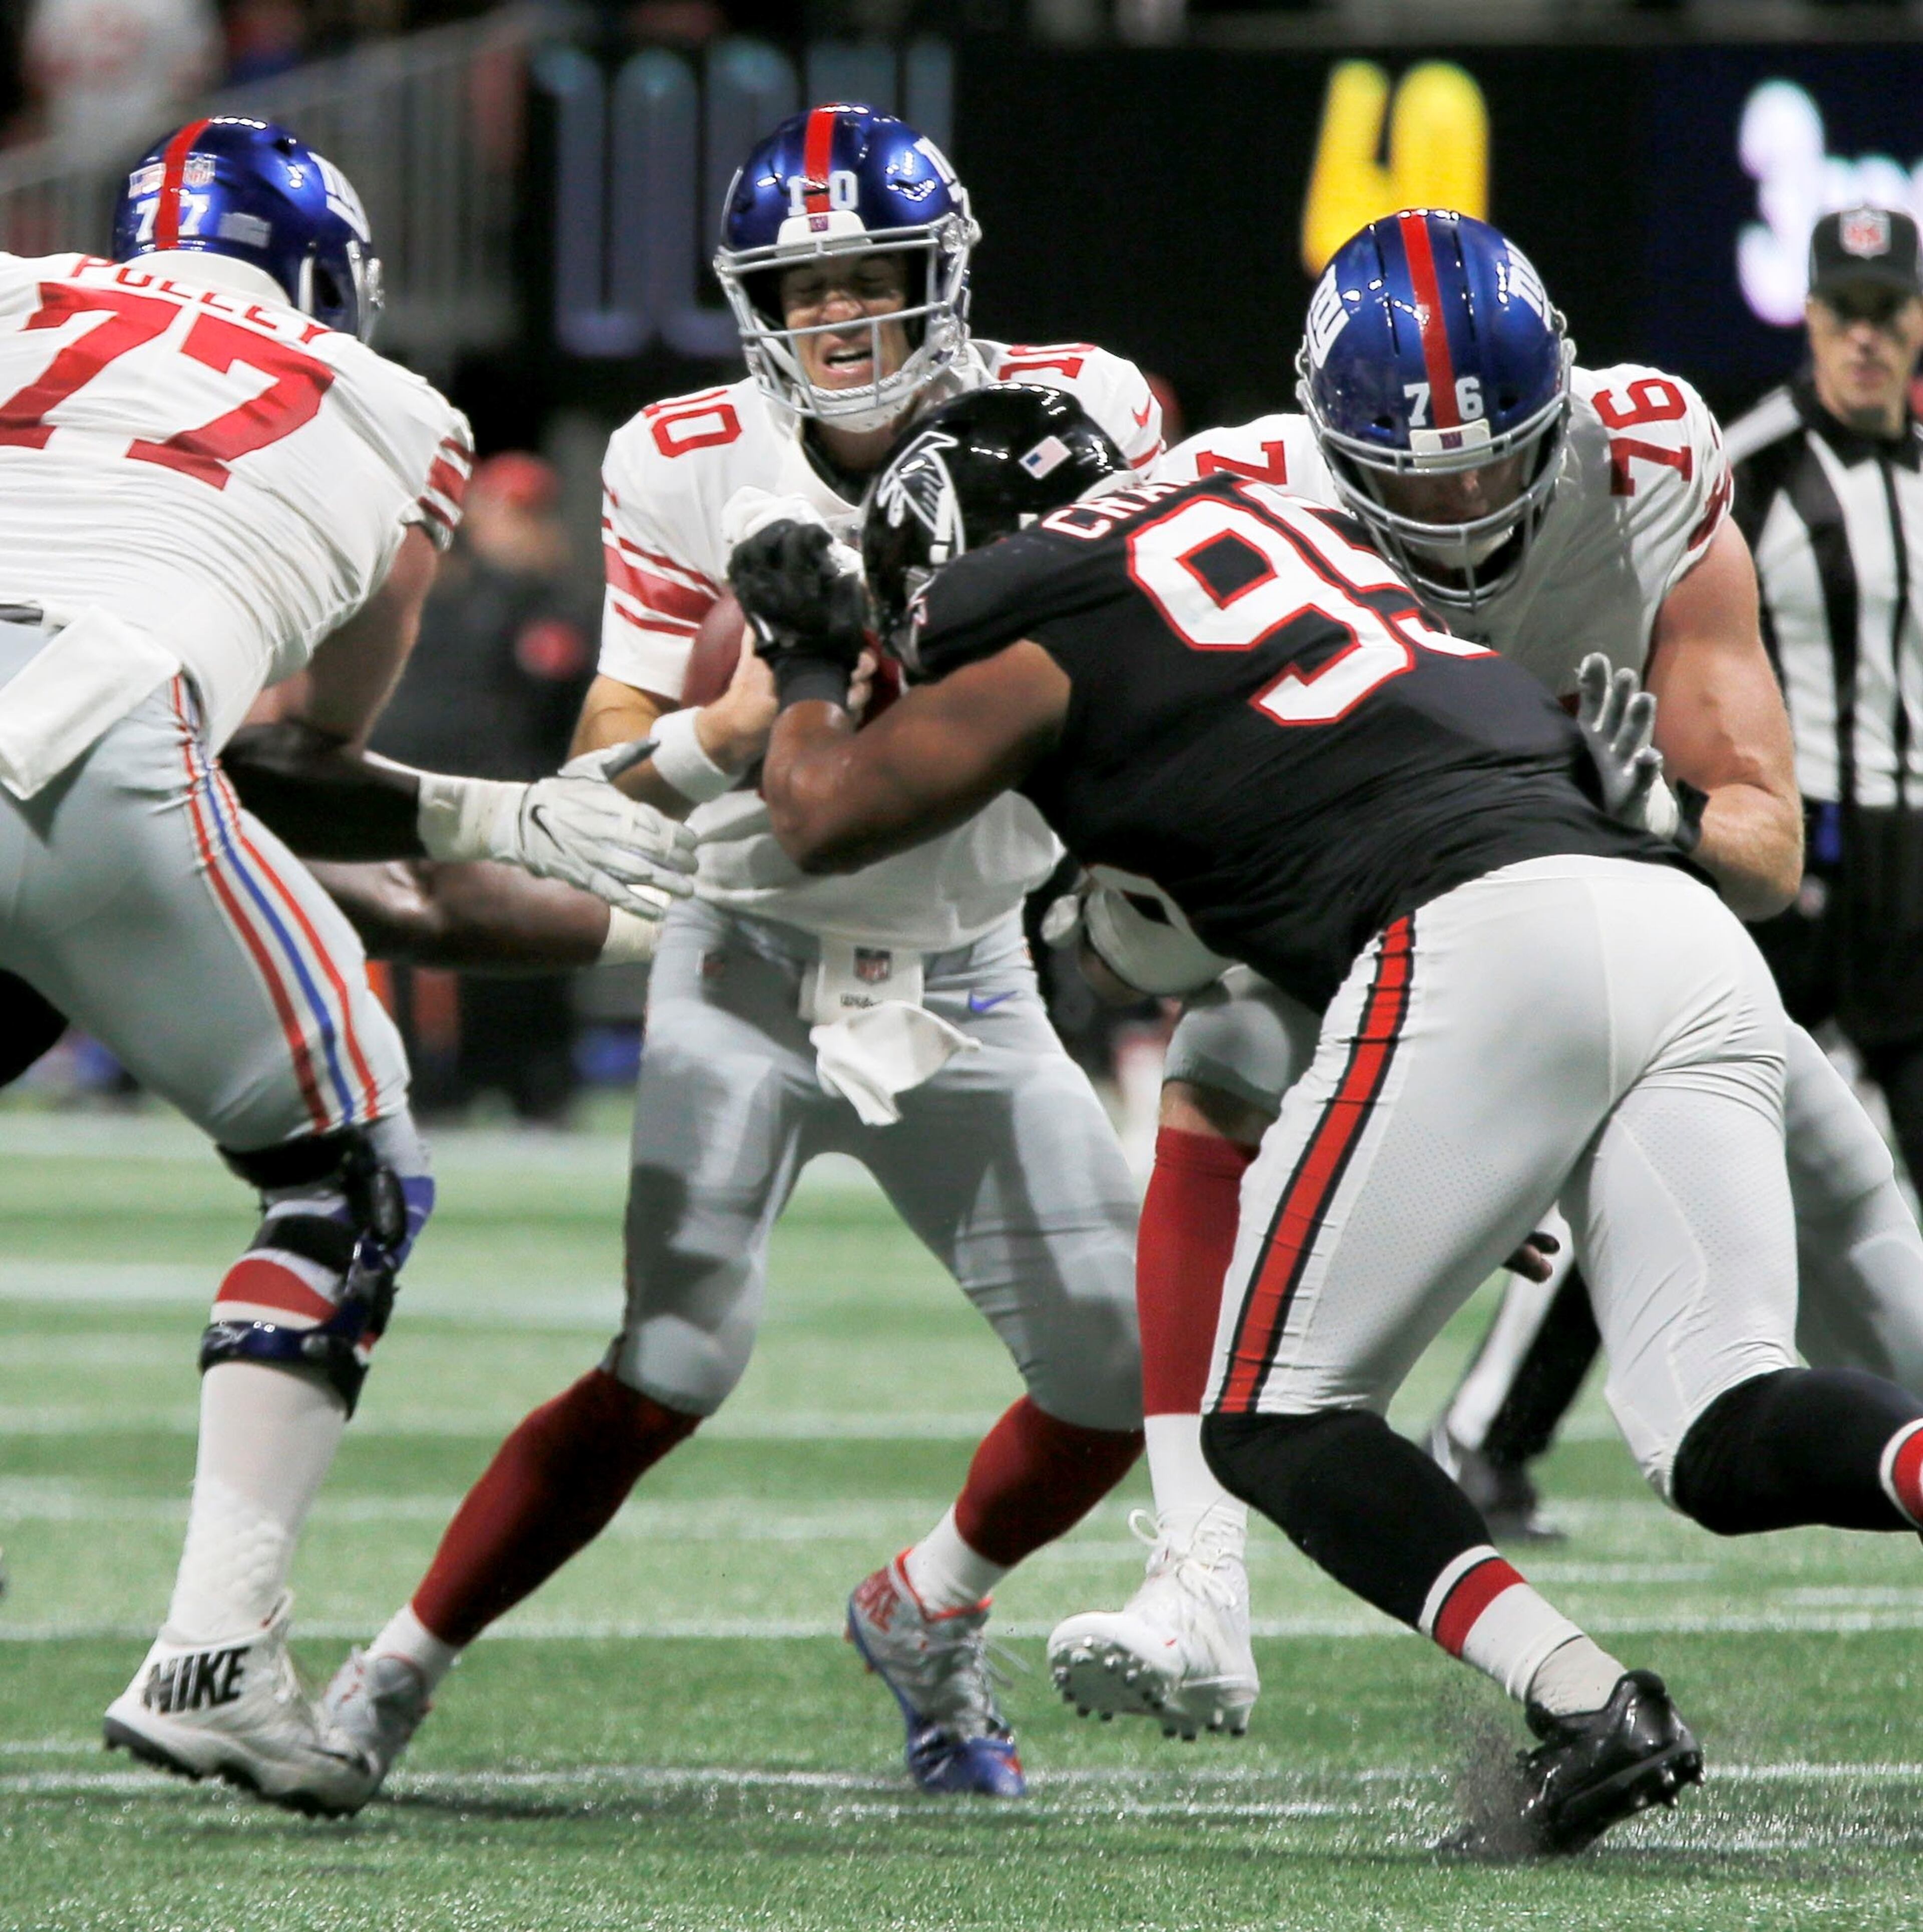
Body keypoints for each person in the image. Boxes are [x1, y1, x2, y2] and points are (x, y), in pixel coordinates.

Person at [746, 380, 1923, 1858]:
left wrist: (804, 661)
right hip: (1671, 923)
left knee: (1266, 1415)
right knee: (1720, 1423)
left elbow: (822, 813)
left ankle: (1586, 1704)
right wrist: (1462, 1139)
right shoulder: (1271, 532)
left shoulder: (1032, 607)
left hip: (1483, 947)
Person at [320, 102, 1228, 1807]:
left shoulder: (1081, 413)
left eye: (871, 278)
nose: (842, 318)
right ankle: (396, 1667)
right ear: (759, 307)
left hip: (968, 963)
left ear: (944, 274)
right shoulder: (682, 455)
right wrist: (734, 721)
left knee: (1115, 1371)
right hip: (748, 953)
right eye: (807, 291)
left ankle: (926, 1605)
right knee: (673, 1358)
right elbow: (608, 755)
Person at [1049, 208, 1923, 1714]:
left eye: (1495, 456)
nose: (1460, 506)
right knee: (1225, 1053)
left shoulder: (1642, 458)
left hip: (1626, 926)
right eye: (1413, 474)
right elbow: (1147, 932)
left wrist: (1654, 810)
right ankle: (1197, 1579)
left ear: (1559, 404)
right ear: (1331, 446)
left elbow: (1768, 849)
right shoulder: (1239, 505)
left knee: (1854, 1271)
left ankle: (1563, 1693)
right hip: (1425, 943)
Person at [0, 116, 693, 1813]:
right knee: (344, 1175)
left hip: (71, 731)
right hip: (93, 729)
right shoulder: (393, 407)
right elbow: (307, 753)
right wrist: (504, 819)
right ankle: (218, 1653)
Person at [369, 450, 598, 1120]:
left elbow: (565, 708)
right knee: (422, 950)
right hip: (431, 803)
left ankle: (536, 1083)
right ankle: (436, 1080)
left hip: (526, 809)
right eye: (505, 514)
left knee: (528, 946)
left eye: (530, 517)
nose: (517, 531)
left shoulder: (556, 607)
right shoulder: (439, 599)